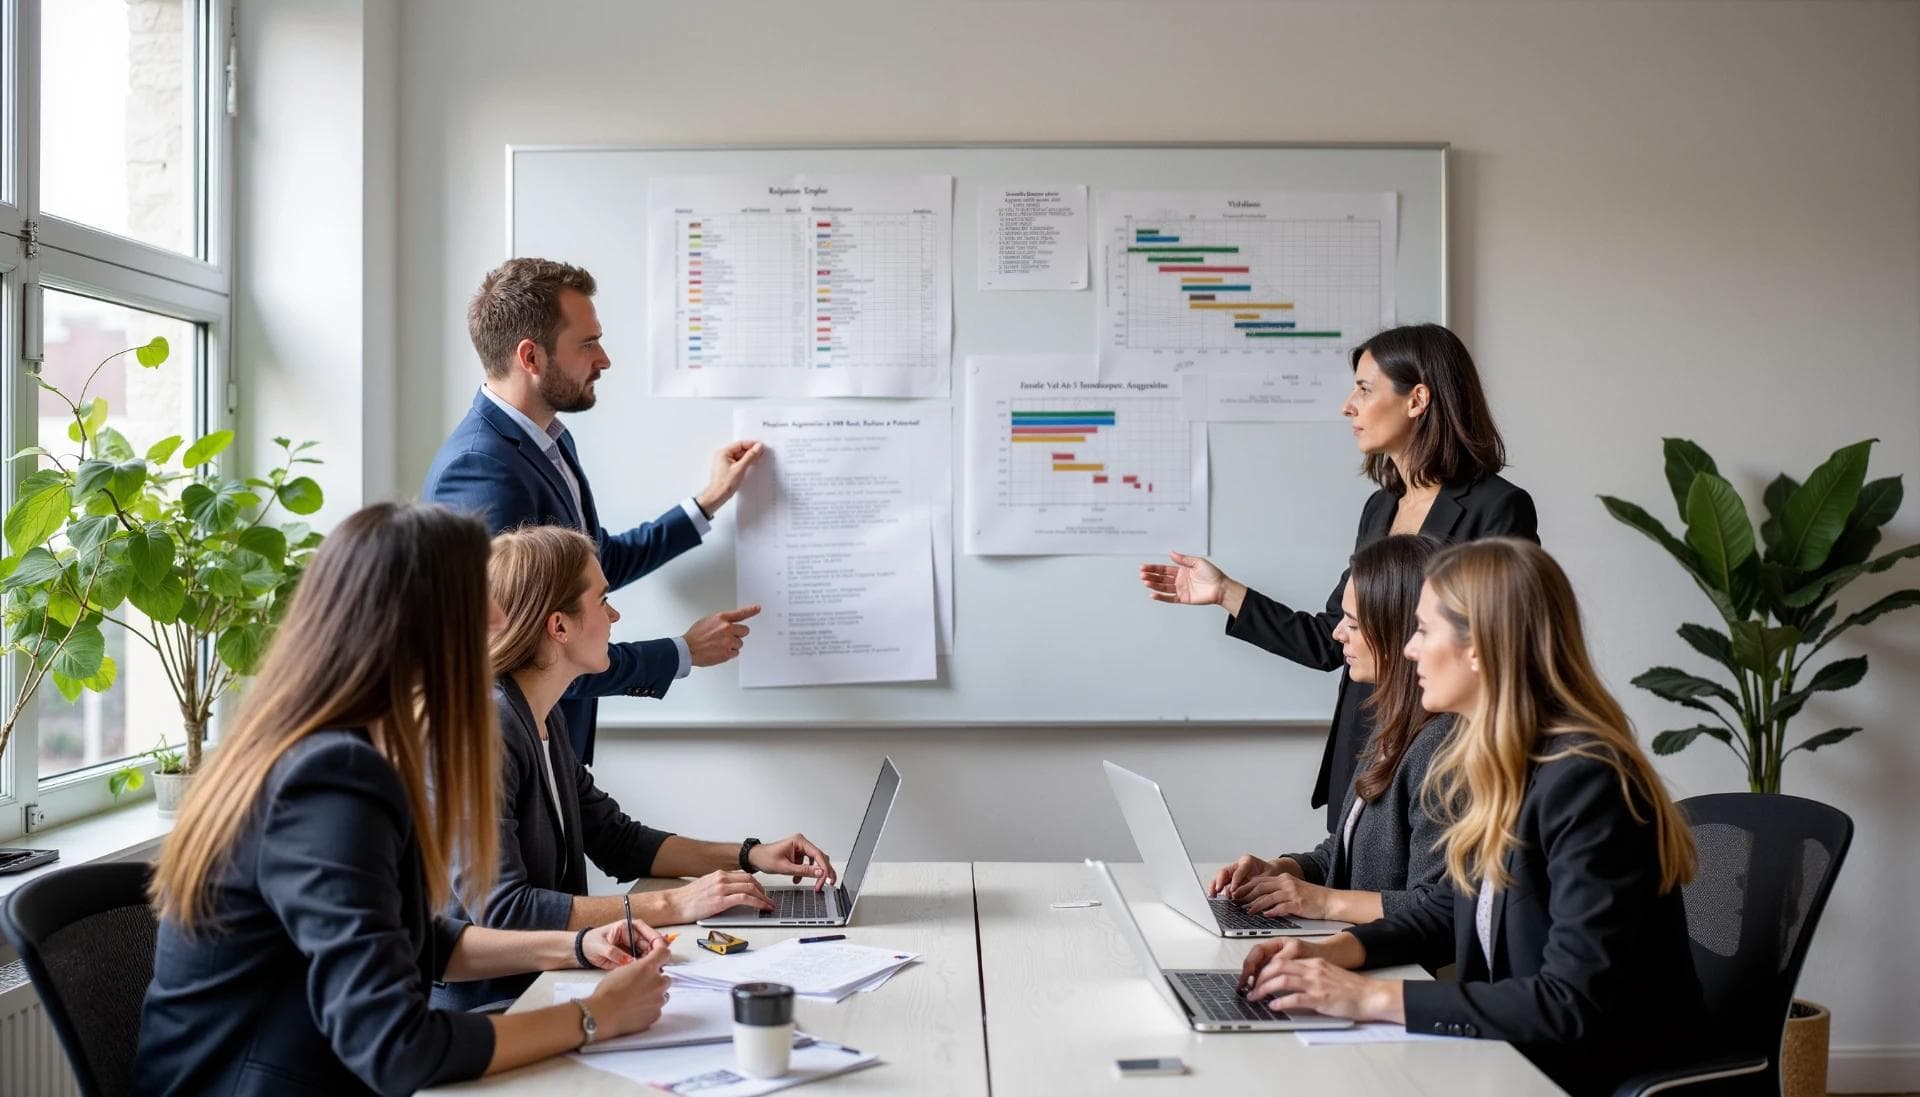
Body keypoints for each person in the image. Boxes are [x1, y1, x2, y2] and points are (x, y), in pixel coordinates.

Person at [135, 503, 675, 1097]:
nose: (500, 619)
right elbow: (397, 1050)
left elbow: (418, 940)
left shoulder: (331, 751)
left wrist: (577, 945)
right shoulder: (329, 781)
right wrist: (592, 1019)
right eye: (478, 601)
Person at [1238, 539, 1702, 1097]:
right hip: (1514, 1053)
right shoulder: (1506, 761)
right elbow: (1447, 909)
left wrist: (1370, 998)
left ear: (1478, 646)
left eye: (1423, 631)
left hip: (1588, 1072)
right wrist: (1331, 952)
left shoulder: (1586, 779)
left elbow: (1572, 1002)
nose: (1409, 651)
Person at [1140, 323, 1537, 830]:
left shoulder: (1498, 507)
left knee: (1415, 907)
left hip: (1444, 756)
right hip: (1364, 750)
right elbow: (1331, 641)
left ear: (1417, 399)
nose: (1347, 406)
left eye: (1364, 389)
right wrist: (1225, 593)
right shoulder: (1380, 508)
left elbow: (1500, 650)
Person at [436, 525, 839, 1012]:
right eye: (603, 600)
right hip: (497, 1005)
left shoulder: (542, 716)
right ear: (558, 627)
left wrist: (750, 855)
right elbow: (503, 912)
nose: (614, 615)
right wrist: (674, 904)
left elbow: (619, 840)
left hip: (550, 984)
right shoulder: (487, 729)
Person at [424, 256, 764, 763]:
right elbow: (530, 653)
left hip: (555, 751)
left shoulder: (551, 443)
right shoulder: (480, 468)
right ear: (531, 357)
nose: (603, 359)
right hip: (515, 759)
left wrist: (706, 502)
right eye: (587, 344)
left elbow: (594, 566)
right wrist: (682, 652)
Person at [1205, 534, 1451, 925]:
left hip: (1399, 966)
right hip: (1356, 943)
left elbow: (1439, 907)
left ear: (1401, 629)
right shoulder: (1391, 723)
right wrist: (1284, 869)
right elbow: (1348, 851)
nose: (1337, 635)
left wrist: (1322, 902)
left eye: (1352, 623)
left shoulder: (1441, 746)